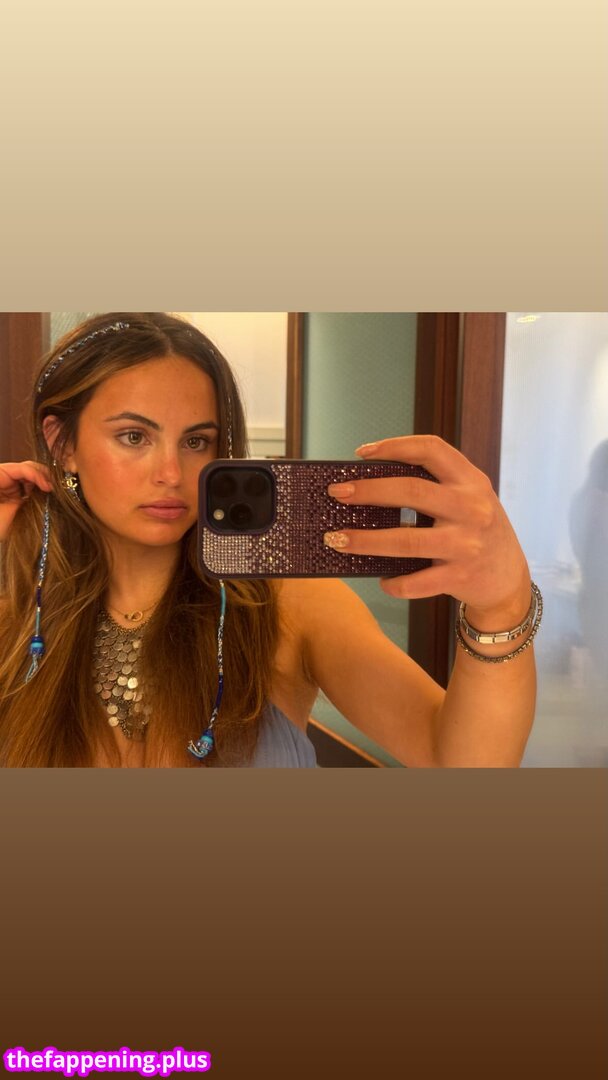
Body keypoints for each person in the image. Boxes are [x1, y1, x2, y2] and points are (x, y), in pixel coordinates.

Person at [0, 312, 541, 768]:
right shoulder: (20, 612)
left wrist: (503, 605)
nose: (171, 473)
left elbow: (462, 760)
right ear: (62, 444)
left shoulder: (289, 605)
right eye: (133, 436)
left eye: (197, 441)